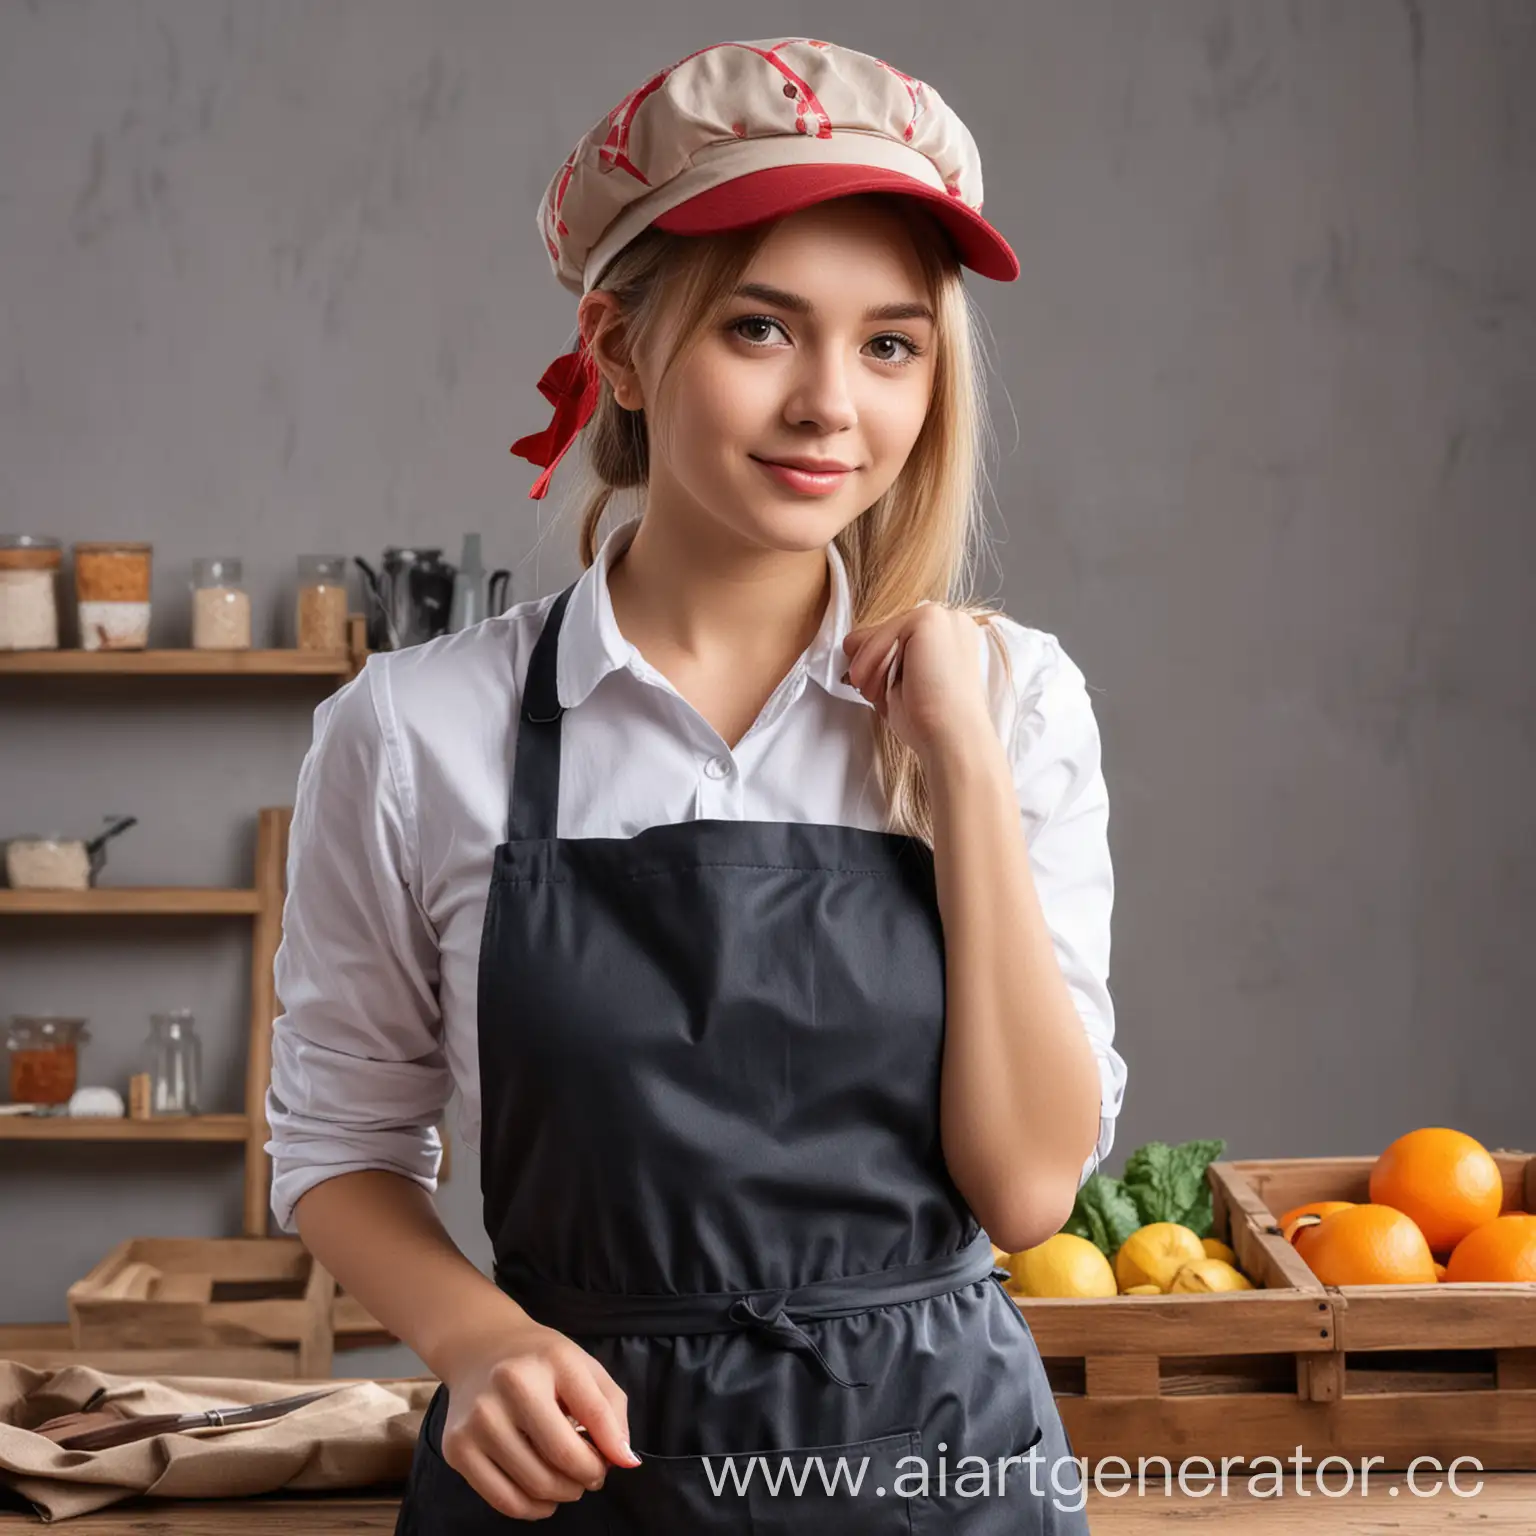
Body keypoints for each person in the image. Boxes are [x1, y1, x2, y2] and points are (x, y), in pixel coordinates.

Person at [265, 35, 1126, 1533]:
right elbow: (339, 1149)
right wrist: (478, 1343)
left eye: (890, 343)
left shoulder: (1014, 701)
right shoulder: (412, 731)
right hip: (575, 1479)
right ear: (615, 349)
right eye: (760, 329)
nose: (830, 408)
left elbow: (1029, 1191)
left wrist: (966, 773)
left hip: (935, 1474)